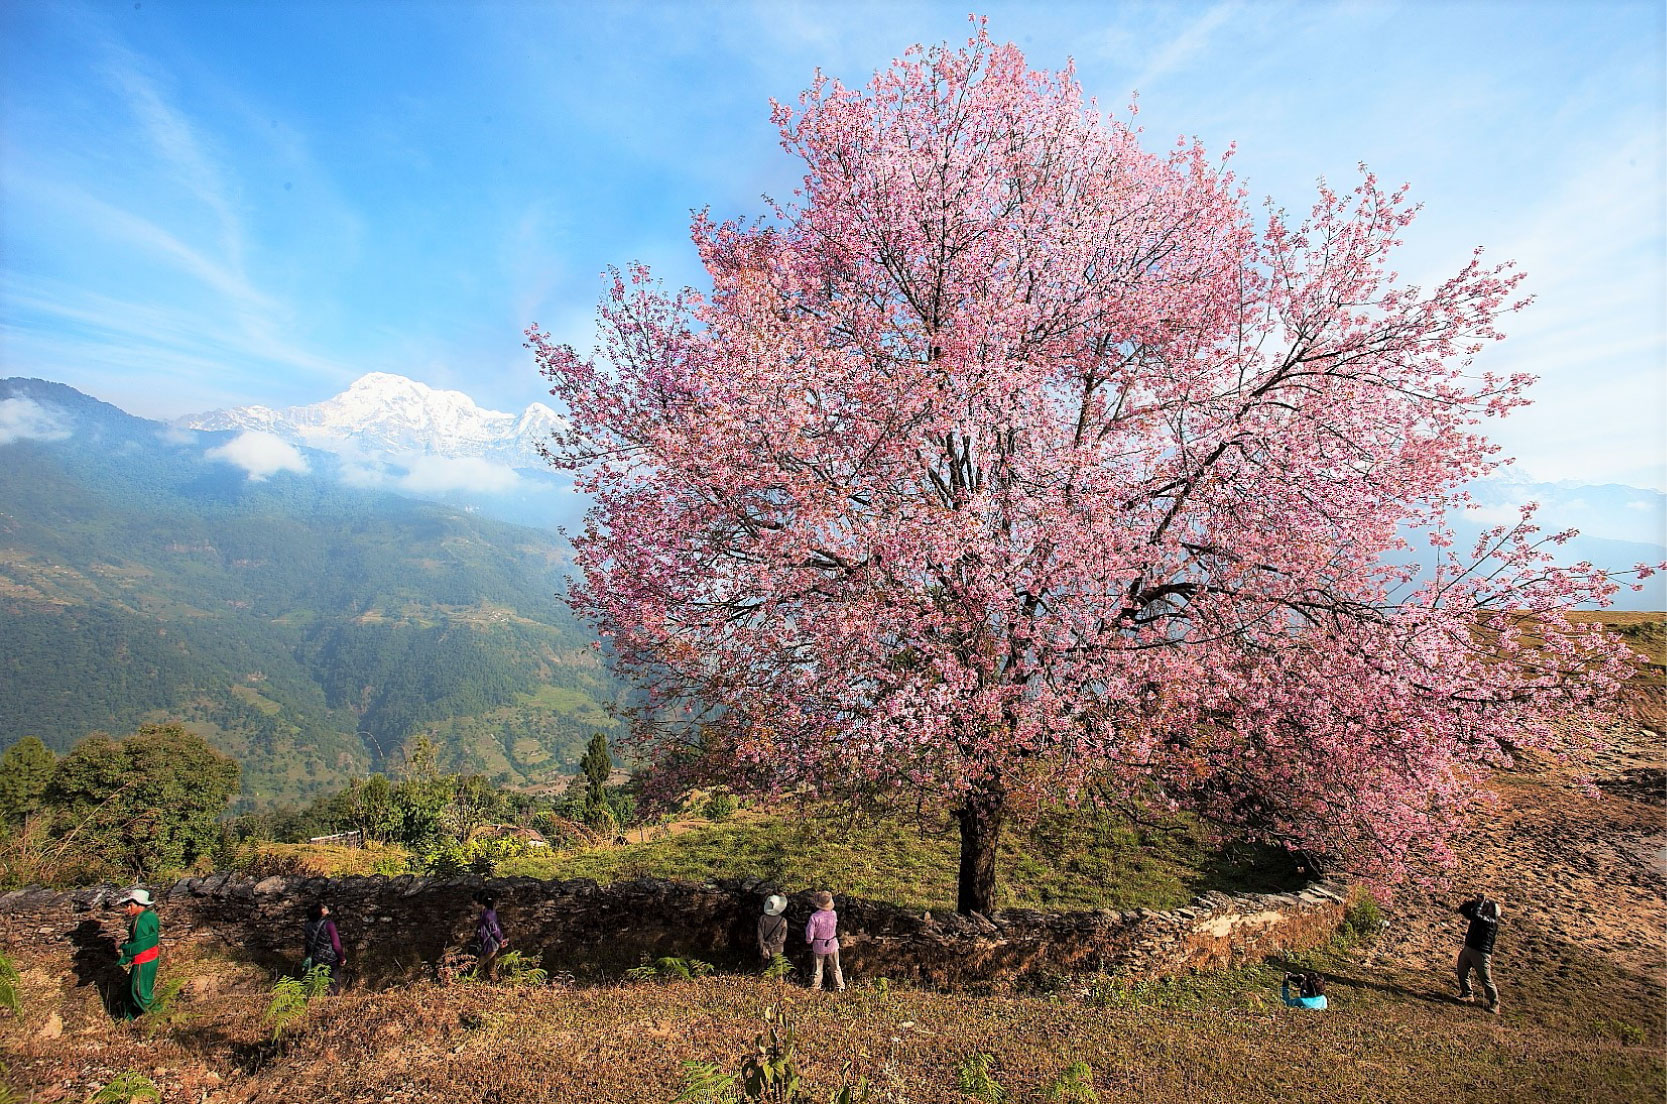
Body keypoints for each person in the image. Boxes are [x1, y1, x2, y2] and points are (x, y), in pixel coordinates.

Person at [114, 888, 160, 1020]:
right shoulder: (151, 916)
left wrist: (124, 950)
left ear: (140, 905)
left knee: (139, 992)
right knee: (131, 990)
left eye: (130, 905)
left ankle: (158, 1016)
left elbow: (141, 945)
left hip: (143, 961)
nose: (127, 909)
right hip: (152, 959)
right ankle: (127, 1017)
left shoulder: (139, 922)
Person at [1455, 893, 1502, 1014]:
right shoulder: (1481, 917)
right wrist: (1473, 903)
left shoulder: (1490, 922)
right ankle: (1467, 995)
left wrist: (1479, 903)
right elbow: (1463, 910)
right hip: (1469, 948)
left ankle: (1494, 1004)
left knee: (1486, 980)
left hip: (1481, 953)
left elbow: (1475, 915)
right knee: (1462, 970)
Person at [302, 902, 348, 993]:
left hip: (316, 960)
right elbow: (336, 944)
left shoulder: (307, 926)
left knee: (320, 985)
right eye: (324, 907)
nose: (326, 908)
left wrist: (307, 958)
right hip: (331, 960)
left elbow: (308, 944)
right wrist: (342, 958)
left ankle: (320, 1003)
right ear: (321, 911)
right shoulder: (329, 924)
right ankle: (332, 1003)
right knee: (333, 985)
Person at [805, 890, 844, 992]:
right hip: (832, 944)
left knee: (818, 968)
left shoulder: (815, 917)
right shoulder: (834, 914)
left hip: (819, 945)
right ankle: (839, 986)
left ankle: (815, 987)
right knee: (836, 967)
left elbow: (810, 933)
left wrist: (809, 940)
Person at [474, 891, 508, 981]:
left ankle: (492, 979)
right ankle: (475, 977)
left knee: (491, 961)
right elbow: (494, 929)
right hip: (490, 941)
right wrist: (500, 940)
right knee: (485, 960)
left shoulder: (485, 912)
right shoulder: (490, 914)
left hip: (485, 938)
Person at [757, 894, 788, 966]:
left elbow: (760, 936)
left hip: (764, 947)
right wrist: (773, 944)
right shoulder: (783, 921)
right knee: (778, 971)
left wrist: (763, 947)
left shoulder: (762, 918)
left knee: (765, 970)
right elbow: (783, 938)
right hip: (777, 948)